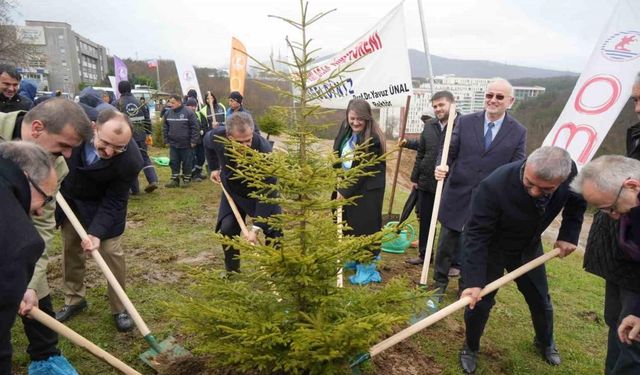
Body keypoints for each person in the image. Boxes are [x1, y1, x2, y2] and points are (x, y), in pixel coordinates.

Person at [458, 146, 586, 373]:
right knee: (478, 303)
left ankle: (545, 342)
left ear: (562, 180)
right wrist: (474, 280)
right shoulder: (494, 185)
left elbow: (577, 202)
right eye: (529, 184)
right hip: (492, 249)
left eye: (546, 189)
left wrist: (568, 235)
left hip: (528, 248)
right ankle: (471, 346)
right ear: (526, 165)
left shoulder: (571, 173)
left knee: (540, 300)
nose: (535, 192)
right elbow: (475, 234)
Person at [0, 98, 91, 373]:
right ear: (37, 128)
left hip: (19, 243)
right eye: (64, 145)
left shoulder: (56, 166)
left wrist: (29, 281)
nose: (67, 156)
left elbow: (42, 224)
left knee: (33, 290)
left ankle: (45, 355)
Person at [571, 72, 640, 375]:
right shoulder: (636, 134)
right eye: (635, 99)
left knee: (632, 341)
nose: (636, 109)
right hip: (622, 261)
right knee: (619, 324)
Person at [434, 78, 527, 295]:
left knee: (473, 246)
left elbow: (517, 167)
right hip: (457, 193)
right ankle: (438, 284)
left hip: (488, 200)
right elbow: (449, 150)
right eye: (489, 95)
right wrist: (442, 165)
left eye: (499, 97)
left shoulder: (518, 132)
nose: (493, 100)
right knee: (446, 243)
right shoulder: (465, 122)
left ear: (510, 101)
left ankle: (465, 287)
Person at [55, 109, 143, 333]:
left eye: (119, 147)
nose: (110, 151)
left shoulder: (130, 161)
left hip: (102, 204)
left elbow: (114, 201)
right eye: (105, 143)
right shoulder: (72, 133)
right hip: (70, 198)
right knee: (70, 248)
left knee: (111, 252)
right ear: (94, 127)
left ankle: (119, 307)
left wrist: (96, 232)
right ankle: (74, 299)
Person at [570, 155, 640, 369]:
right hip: (625, 273)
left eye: (612, 207)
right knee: (619, 327)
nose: (613, 216)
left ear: (631, 186)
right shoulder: (631, 206)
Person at [0, 141, 58, 375]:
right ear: (26, 178)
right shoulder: (19, 241)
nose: (41, 211)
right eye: (45, 198)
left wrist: (18, 288)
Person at [204, 112, 281, 273]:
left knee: (274, 230)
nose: (246, 146)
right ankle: (232, 270)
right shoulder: (218, 136)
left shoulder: (264, 150)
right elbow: (207, 142)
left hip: (261, 192)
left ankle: (275, 270)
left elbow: (268, 190)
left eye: (249, 140)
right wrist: (213, 168)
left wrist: (257, 227)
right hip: (233, 190)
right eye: (240, 142)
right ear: (229, 136)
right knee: (227, 229)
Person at [399, 91, 459, 269]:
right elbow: (422, 152)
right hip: (426, 182)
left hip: (451, 185)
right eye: (435, 106)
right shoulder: (430, 125)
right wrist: (415, 178)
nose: (438, 109)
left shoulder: (462, 125)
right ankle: (424, 255)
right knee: (425, 220)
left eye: (441, 105)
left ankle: (453, 262)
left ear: (452, 104)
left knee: (451, 224)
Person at [332, 99, 386, 285]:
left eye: (360, 119)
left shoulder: (373, 139)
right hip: (346, 183)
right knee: (348, 223)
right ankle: (352, 258)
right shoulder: (345, 127)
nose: (355, 122)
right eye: (352, 118)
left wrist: (344, 191)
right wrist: (337, 172)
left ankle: (366, 266)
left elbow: (362, 170)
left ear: (367, 118)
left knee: (364, 227)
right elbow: (337, 149)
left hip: (367, 190)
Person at [116, 81, 159, 194]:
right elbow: (147, 119)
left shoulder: (118, 103)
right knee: (144, 157)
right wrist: (148, 133)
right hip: (141, 135)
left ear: (119, 90)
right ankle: (153, 180)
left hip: (127, 137)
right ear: (130, 89)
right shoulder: (139, 102)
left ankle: (135, 189)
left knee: (130, 161)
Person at [163, 94, 198, 188]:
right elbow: (165, 127)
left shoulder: (189, 112)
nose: (170, 104)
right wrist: (166, 140)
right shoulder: (168, 113)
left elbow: (195, 128)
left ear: (179, 102)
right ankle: (175, 180)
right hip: (173, 144)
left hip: (186, 144)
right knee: (174, 162)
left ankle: (187, 180)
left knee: (187, 162)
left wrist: (194, 141)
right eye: (170, 102)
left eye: (173, 102)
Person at [185, 97, 207, 182]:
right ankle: (194, 175)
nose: (193, 107)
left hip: (200, 141)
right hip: (190, 141)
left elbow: (205, 125)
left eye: (195, 106)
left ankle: (198, 172)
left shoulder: (199, 114)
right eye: (191, 106)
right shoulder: (185, 115)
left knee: (201, 157)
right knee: (192, 158)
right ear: (187, 106)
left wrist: (203, 131)